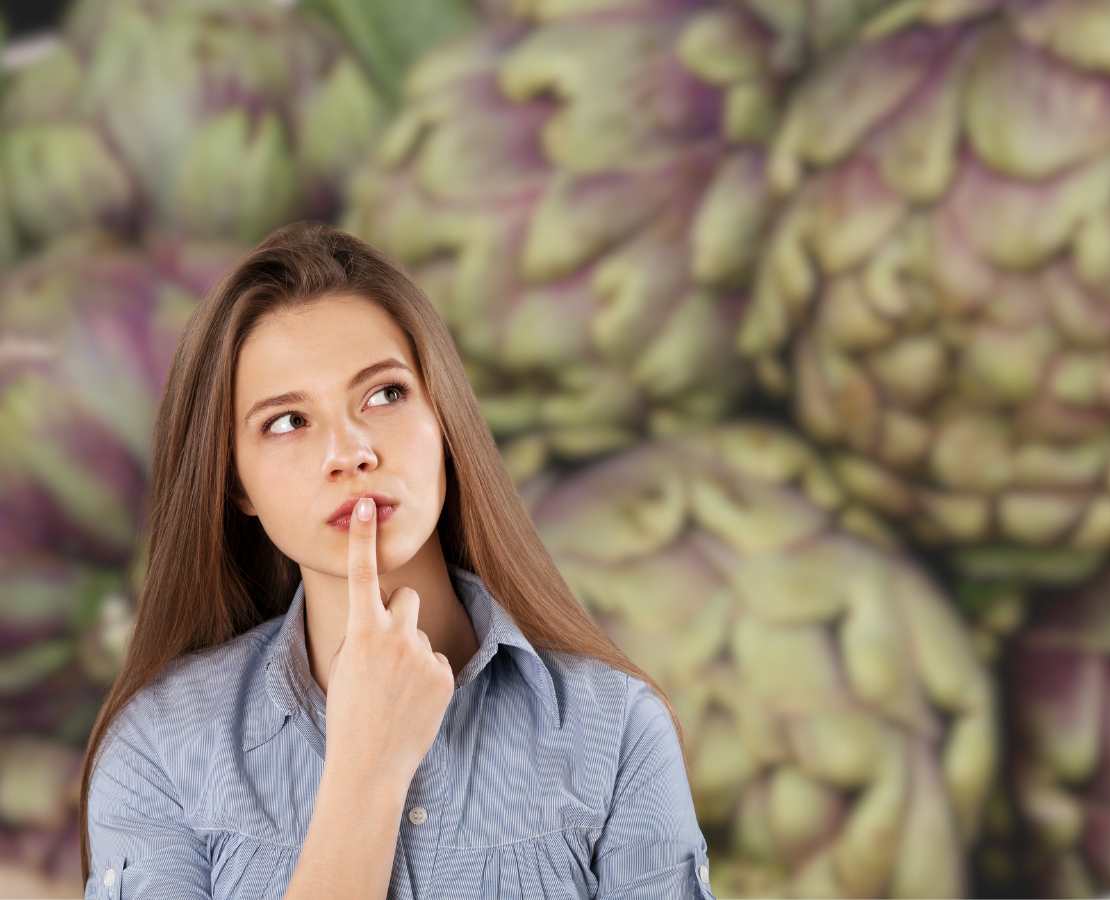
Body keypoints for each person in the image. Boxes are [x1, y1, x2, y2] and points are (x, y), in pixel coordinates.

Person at [77, 221, 716, 899]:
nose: (350, 451)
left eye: (384, 394)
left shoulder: (615, 732)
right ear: (237, 484)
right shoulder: (158, 753)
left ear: (445, 420)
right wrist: (364, 773)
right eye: (287, 422)